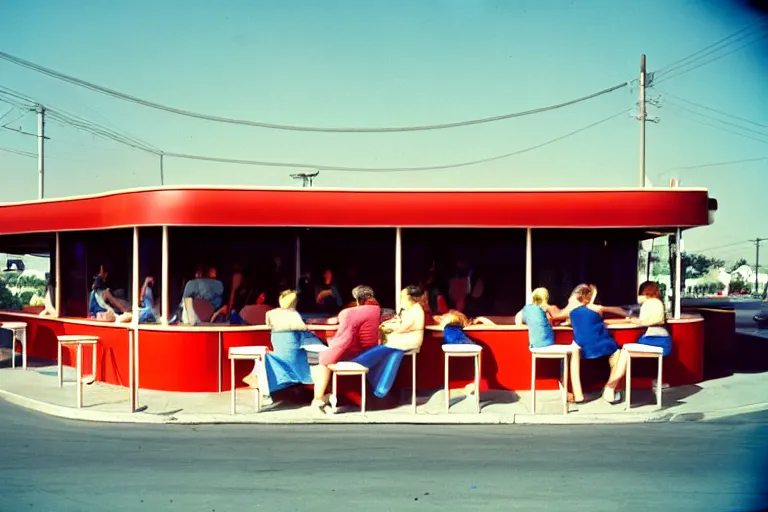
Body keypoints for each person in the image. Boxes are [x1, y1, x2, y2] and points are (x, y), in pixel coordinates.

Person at [242, 290, 324, 400]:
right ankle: (319, 396)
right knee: (319, 359)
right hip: (296, 363)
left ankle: (299, 388)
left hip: (278, 359)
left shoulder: (272, 316)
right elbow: (313, 346)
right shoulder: (296, 320)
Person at [312, 285, 380, 412]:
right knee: (327, 357)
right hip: (371, 352)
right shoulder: (377, 310)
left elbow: (344, 339)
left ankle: (318, 398)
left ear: (356, 298)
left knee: (323, 361)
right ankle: (327, 396)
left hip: (356, 354)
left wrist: (330, 345)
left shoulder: (349, 313)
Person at [352, 286, 427, 399]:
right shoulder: (408, 309)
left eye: (402, 296)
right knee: (393, 354)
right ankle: (379, 387)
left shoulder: (416, 310)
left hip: (409, 339)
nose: (401, 298)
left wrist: (388, 326)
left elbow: (403, 327)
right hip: (402, 339)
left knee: (382, 349)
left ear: (409, 297)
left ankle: (360, 362)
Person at [567, 284, 629, 404]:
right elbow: (620, 311)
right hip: (601, 346)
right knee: (618, 354)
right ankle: (610, 388)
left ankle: (575, 393)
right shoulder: (596, 308)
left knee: (568, 355)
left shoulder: (571, 312)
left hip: (582, 348)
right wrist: (631, 316)